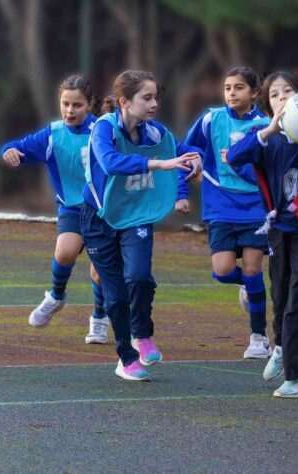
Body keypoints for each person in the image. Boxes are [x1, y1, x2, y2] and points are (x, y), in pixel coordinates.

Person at [81, 70, 202, 381]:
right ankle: (126, 356)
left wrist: (196, 158)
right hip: (99, 217)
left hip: (135, 215)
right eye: (146, 98)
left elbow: (184, 149)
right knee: (116, 295)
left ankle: (142, 333)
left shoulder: (154, 133)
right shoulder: (102, 129)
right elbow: (110, 163)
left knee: (140, 277)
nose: (154, 104)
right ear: (124, 101)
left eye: (155, 97)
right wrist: (157, 164)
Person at [226, 71, 298, 398]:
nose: (282, 98)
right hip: (278, 228)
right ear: (268, 103)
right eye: (274, 94)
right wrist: (269, 129)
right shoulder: (265, 136)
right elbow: (234, 157)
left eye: (288, 92)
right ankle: (282, 346)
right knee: (281, 296)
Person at [0, 74, 110, 344]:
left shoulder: (104, 131)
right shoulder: (52, 134)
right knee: (64, 253)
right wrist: (9, 151)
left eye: (77, 105)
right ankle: (56, 296)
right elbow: (16, 146)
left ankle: (99, 318)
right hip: (72, 209)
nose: (70, 110)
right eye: (65, 104)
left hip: (104, 211)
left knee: (100, 271)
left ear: (89, 105)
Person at [181, 67, 271, 359]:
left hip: (255, 207)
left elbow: (266, 173)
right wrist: (182, 192)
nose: (231, 93)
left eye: (239, 88)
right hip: (220, 206)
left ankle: (258, 337)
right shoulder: (211, 119)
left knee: (254, 268)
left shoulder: (267, 126)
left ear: (254, 93)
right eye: (228, 87)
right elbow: (188, 153)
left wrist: (236, 163)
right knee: (222, 271)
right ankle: (249, 285)